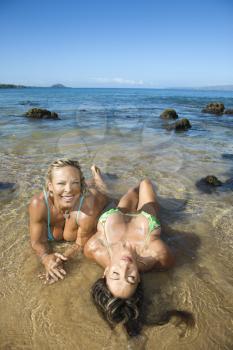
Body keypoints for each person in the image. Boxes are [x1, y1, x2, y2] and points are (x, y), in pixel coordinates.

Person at [84, 179, 175, 335]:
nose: (124, 267)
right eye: (131, 278)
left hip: (120, 212)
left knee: (132, 191)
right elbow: (170, 262)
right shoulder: (155, 254)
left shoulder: (95, 248)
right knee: (145, 182)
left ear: (105, 273)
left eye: (115, 274)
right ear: (139, 279)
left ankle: (100, 179)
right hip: (147, 217)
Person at [29, 159, 110, 284]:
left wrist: (60, 261)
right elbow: (37, 241)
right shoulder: (39, 204)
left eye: (75, 183)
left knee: (101, 187)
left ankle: (96, 175)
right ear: (50, 186)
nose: (68, 189)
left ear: (80, 184)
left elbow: (80, 244)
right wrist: (45, 258)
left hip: (98, 198)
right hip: (81, 194)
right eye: (61, 183)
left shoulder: (87, 209)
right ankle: (91, 176)